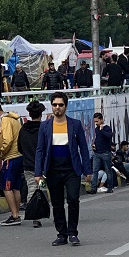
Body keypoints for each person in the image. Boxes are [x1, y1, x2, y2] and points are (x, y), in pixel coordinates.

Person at [34, 91, 91, 246]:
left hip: (71, 169)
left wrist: (87, 170)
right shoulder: (45, 126)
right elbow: (40, 149)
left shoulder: (75, 124)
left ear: (66, 106)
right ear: (51, 106)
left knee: (73, 200)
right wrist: (38, 172)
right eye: (54, 105)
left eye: (60, 105)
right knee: (57, 203)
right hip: (52, 170)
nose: (57, 108)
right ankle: (61, 234)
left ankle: (73, 233)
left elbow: (83, 149)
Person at [0, 99, 24, 226]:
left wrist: (2, 152)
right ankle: (16, 213)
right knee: (16, 187)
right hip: (19, 156)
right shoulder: (14, 119)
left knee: (7, 187)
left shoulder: (6, 120)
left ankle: (14, 215)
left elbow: (7, 140)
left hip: (11, 157)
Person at [18, 101, 47, 228]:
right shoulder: (44, 129)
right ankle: (36, 213)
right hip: (42, 168)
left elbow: (19, 148)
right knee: (42, 188)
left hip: (28, 166)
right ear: (41, 114)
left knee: (32, 188)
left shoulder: (23, 129)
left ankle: (35, 214)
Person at [89, 112, 114, 195]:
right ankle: (93, 188)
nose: (96, 123)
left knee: (108, 170)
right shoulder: (96, 129)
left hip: (106, 152)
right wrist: (94, 145)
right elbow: (98, 139)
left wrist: (102, 130)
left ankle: (110, 187)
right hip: (97, 152)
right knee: (95, 170)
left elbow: (109, 136)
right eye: (95, 122)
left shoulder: (107, 128)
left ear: (101, 120)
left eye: (97, 121)